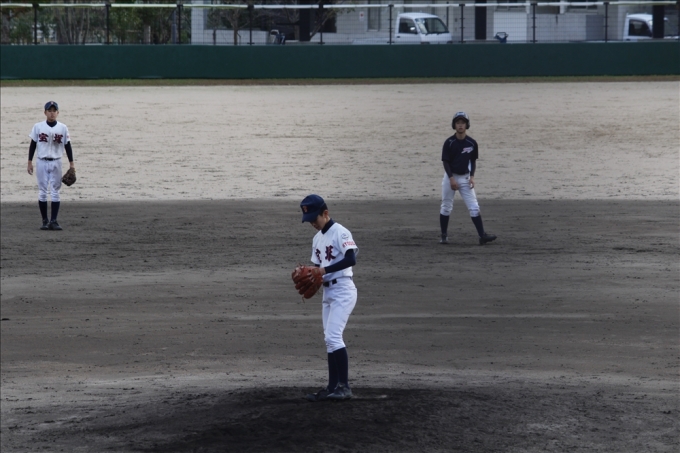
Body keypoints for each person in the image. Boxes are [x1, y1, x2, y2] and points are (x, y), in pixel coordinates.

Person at [300, 194, 358, 402]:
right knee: (329, 340)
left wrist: (323, 270)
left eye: (314, 219)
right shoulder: (317, 239)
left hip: (343, 290)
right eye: (309, 220)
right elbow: (317, 269)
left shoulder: (341, 232)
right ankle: (332, 387)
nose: (313, 224)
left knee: (333, 337)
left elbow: (351, 259)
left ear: (325, 213)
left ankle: (344, 387)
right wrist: (310, 275)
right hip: (328, 292)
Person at [439, 111, 496, 245]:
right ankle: (444, 236)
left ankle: (482, 236)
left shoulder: (472, 143)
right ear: (454, 125)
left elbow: (473, 161)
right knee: (446, 206)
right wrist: (451, 178)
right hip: (450, 176)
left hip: (465, 177)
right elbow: (445, 162)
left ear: (467, 125)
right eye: (458, 123)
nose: (460, 125)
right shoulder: (449, 142)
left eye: (463, 123)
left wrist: (472, 177)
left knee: (474, 207)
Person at [27, 101, 75, 231]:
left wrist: (72, 164)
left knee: (55, 191)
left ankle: (54, 221)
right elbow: (33, 144)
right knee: (42, 191)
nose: (52, 113)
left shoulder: (63, 128)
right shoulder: (38, 127)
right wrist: (29, 162)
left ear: (58, 113)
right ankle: (45, 221)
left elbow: (68, 145)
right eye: (49, 111)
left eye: (54, 111)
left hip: (56, 162)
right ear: (45, 112)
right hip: (41, 161)